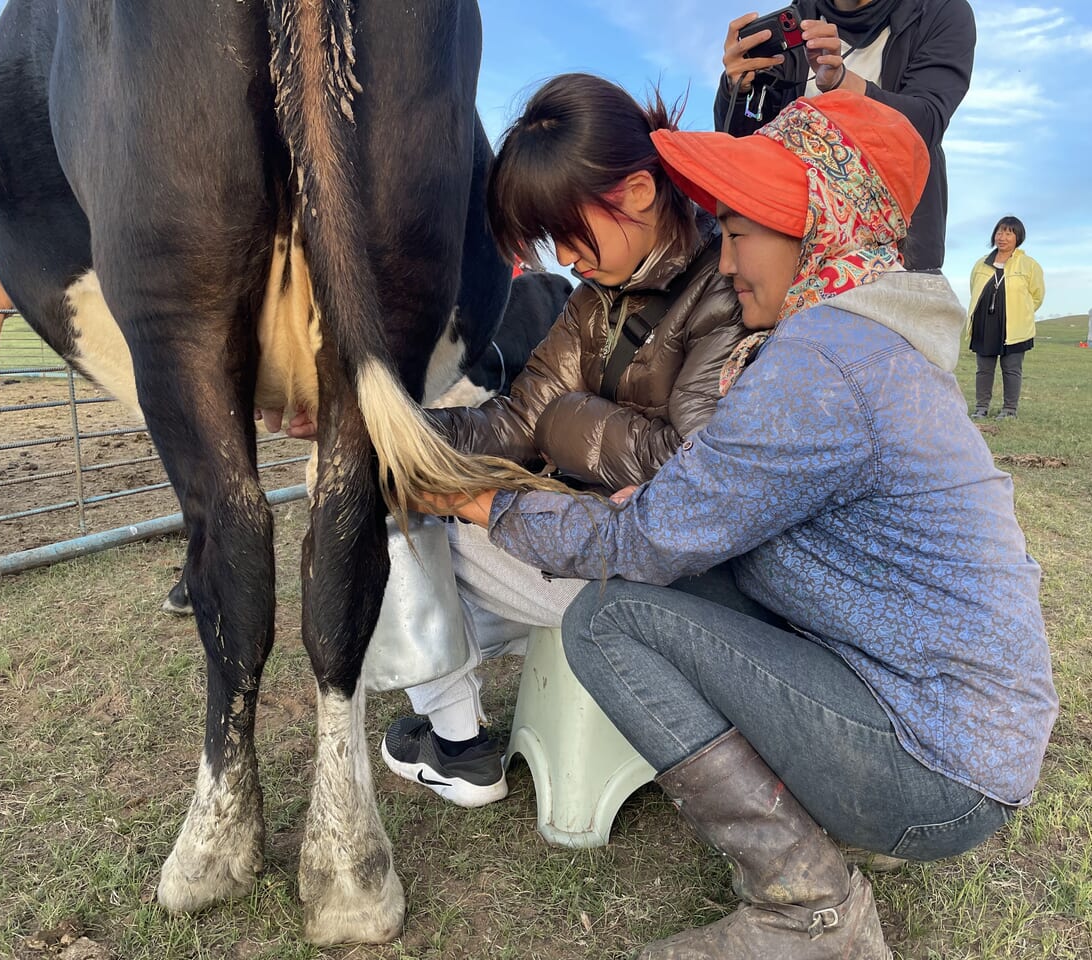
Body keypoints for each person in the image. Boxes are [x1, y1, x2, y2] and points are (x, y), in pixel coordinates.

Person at [411, 91, 1057, 957]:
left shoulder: (820, 364)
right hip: (933, 718)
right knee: (682, 580)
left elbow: (641, 543)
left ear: (818, 231)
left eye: (746, 231)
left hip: (938, 767)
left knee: (609, 619)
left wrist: (481, 503)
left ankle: (812, 913)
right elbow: (686, 513)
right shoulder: (856, 342)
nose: (728, 256)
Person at [359, 73, 748, 808]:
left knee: (392, 535)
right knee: (386, 484)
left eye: (570, 233)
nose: (566, 258)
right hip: (586, 537)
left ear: (636, 193)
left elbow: (698, 477)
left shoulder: (726, 288)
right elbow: (513, 423)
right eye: (551, 240)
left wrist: (567, 423)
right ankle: (448, 709)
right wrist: (389, 432)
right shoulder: (596, 296)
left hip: (655, 568)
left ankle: (457, 743)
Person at [714, 0, 975, 273]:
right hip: (792, 257)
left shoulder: (941, 11)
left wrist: (842, 82)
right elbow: (743, 147)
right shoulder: (794, 21)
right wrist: (736, 88)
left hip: (898, 258)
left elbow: (926, 123)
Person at [967, 215, 1045, 419]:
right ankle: (981, 408)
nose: (1002, 237)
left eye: (1008, 233)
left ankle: (1009, 410)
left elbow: (1037, 296)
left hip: (1015, 325)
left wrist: (1022, 313)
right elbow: (973, 289)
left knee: (1011, 369)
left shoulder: (1029, 265)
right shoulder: (981, 264)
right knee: (984, 369)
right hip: (985, 322)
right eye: (999, 232)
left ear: (1018, 237)